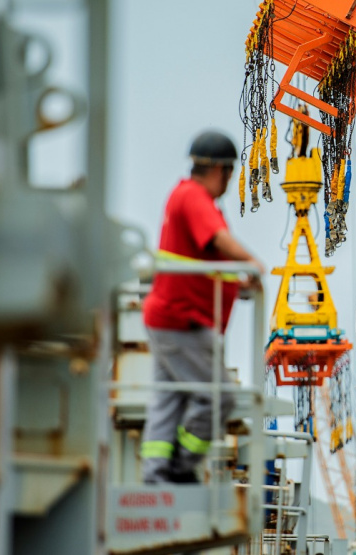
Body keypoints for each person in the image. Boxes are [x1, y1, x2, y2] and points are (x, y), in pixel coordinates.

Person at [140, 130, 263, 484]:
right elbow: (217, 240)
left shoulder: (185, 197)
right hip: (181, 320)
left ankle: (156, 474)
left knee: (169, 401)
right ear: (221, 170)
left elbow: (204, 263)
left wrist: (236, 283)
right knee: (218, 397)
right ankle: (181, 466)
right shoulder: (194, 197)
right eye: (229, 172)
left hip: (170, 317)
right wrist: (251, 262)